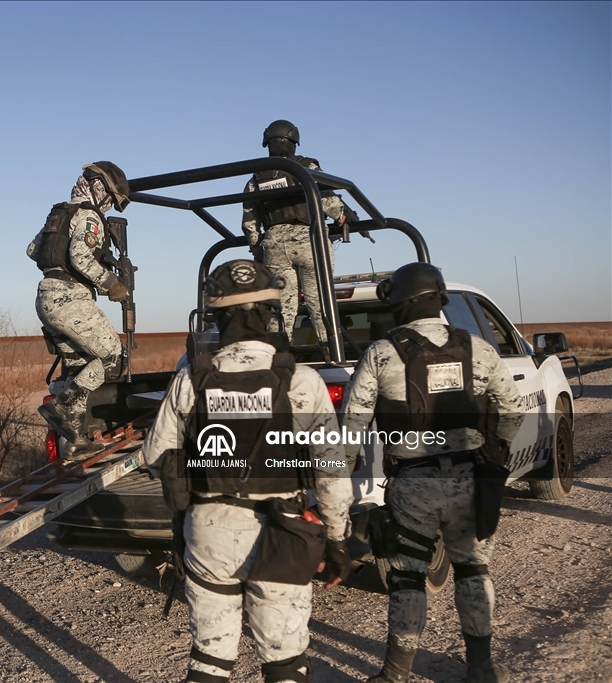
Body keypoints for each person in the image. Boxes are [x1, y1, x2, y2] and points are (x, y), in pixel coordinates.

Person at [143, 260, 353, 683]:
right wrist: (336, 539)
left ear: (216, 315)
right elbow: (333, 470)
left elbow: (156, 454)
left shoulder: (192, 379)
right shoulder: (301, 381)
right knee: (284, 661)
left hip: (208, 531)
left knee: (210, 660)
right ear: (271, 312)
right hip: (283, 531)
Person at [340, 263, 524, 683]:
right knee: (473, 571)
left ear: (400, 304)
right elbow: (512, 407)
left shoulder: (382, 353)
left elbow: (351, 428)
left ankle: (395, 672)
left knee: (407, 578)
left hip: (413, 483)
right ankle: (480, 668)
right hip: (472, 478)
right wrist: (494, 455)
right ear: (439, 298)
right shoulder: (476, 347)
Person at [28, 161, 132, 458]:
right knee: (112, 356)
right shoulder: (90, 217)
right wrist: (113, 285)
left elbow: (33, 250)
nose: (109, 205)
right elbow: (80, 258)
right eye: (110, 199)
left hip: (45, 296)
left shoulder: (59, 214)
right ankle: (60, 408)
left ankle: (73, 440)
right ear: (100, 190)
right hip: (70, 298)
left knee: (78, 365)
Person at [241, 120, 354, 359]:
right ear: (293, 141)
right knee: (319, 300)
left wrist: (256, 247)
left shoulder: (256, 178)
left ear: (267, 143)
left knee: (281, 305)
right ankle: (332, 353)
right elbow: (325, 196)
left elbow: (250, 221)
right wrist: (342, 215)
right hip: (309, 240)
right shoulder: (305, 167)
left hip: (274, 244)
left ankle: (279, 357)